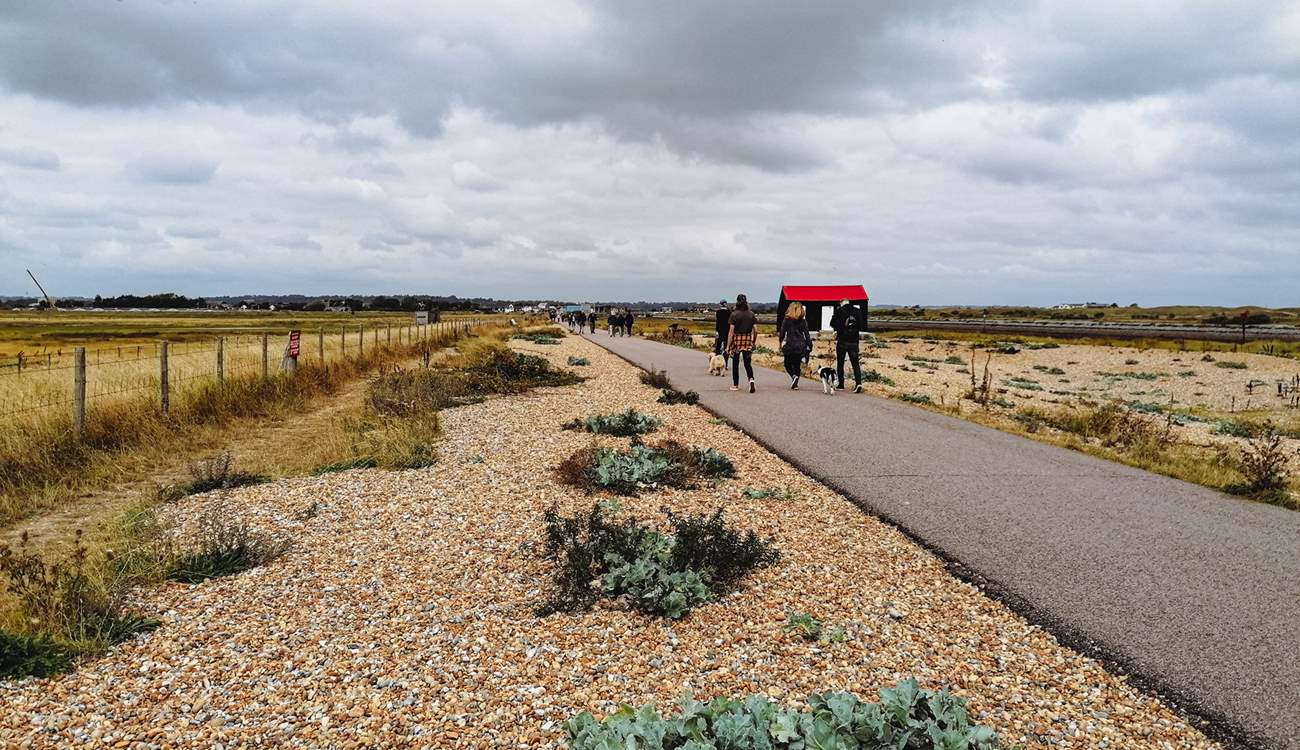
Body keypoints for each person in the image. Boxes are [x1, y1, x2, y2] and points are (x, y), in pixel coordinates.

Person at [726, 293, 758, 393]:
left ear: (737, 302)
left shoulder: (734, 314)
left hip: (737, 340)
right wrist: (753, 341)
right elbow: (755, 329)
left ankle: (735, 385)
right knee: (747, 363)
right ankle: (751, 379)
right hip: (747, 339)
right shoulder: (751, 314)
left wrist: (728, 346)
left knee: (735, 363)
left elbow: (731, 331)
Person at [830, 298, 863, 392]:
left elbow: (832, 323)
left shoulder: (839, 311)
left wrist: (838, 328)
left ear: (841, 303)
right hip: (854, 341)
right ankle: (858, 383)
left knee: (840, 363)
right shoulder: (857, 311)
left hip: (842, 341)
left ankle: (841, 385)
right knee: (855, 363)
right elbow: (861, 324)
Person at [779, 302, 811, 389]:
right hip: (801, 345)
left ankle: (793, 377)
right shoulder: (803, 321)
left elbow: (782, 333)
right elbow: (807, 334)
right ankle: (795, 382)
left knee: (787, 364)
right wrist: (809, 345)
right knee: (797, 364)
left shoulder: (786, 320)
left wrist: (780, 343)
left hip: (790, 344)